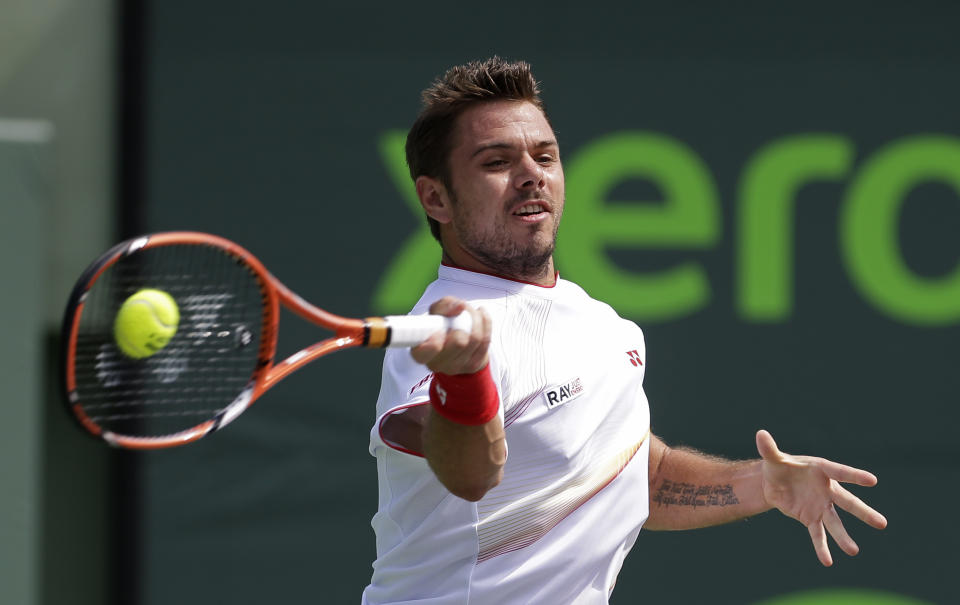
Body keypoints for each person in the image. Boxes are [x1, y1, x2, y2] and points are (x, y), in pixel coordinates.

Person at [362, 57, 886, 605]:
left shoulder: (603, 325)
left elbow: (643, 478)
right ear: (435, 198)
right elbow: (466, 475)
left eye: (544, 156)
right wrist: (464, 379)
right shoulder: (447, 327)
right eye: (496, 161)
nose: (530, 174)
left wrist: (765, 484)